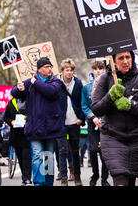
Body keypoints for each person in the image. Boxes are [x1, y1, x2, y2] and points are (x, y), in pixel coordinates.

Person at [91, 51, 138, 186]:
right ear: (113, 61)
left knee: (130, 179)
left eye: (128, 57)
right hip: (112, 137)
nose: (125, 61)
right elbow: (96, 108)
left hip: (137, 137)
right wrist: (110, 96)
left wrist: (130, 105)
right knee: (120, 178)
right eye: (121, 58)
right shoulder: (105, 79)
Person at [11, 57, 63, 186]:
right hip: (35, 127)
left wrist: (36, 82)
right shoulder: (31, 81)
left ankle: (48, 183)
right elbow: (14, 92)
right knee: (37, 156)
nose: (50, 69)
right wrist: (20, 89)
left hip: (51, 127)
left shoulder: (56, 81)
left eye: (50, 66)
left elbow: (50, 92)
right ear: (39, 69)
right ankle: (39, 183)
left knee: (48, 157)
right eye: (46, 67)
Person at [81, 60, 110, 186]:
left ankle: (104, 178)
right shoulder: (86, 88)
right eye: (96, 68)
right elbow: (84, 105)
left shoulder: (108, 86)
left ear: (104, 70)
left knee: (105, 152)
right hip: (93, 123)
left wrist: (103, 118)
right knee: (93, 150)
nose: (98, 71)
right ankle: (95, 174)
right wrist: (93, 117)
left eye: (101, 68)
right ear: (92, 71)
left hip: (105, 123)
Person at [57, 58, 84, 186]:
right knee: (62, 151)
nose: (69, 73)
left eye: (71, 70)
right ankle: (64, 178)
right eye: (67, 70)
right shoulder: (56, 83)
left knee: (74, 151)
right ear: (62, 71)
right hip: (61, 122)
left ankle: (77, 177)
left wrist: (81, 118)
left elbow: (82, 102)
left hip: (74, 121)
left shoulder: (78, 83)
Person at [2, 96, 32, 185]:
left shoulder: (30, 100)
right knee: (20, 157)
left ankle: (27, 178)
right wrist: (11, 122)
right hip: (16, 135)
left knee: (26, 157)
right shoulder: (11, 103)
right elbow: (5, 117)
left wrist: (28, 121)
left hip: (27, 134)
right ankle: (25, 176)